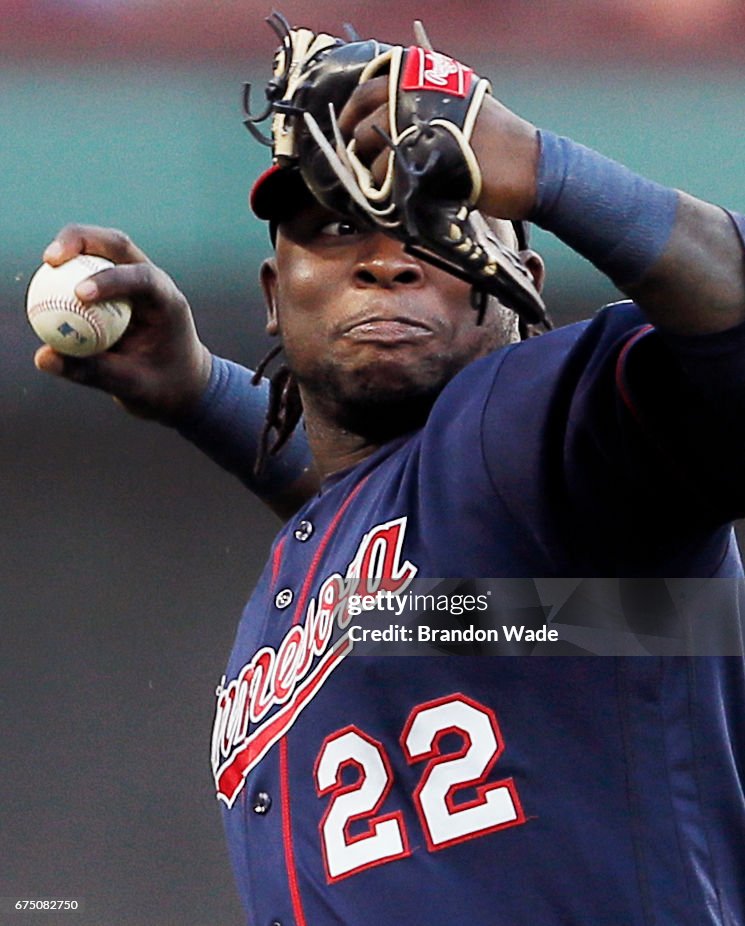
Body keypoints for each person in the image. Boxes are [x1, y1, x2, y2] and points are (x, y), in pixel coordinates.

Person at [34, 32, 745, 926]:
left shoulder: (540, 430)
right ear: (272, 293)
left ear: (521, 282)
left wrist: (544, 169)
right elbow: (410, 561)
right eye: (334, 227)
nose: (384, 258)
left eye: (435, 220)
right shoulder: (480, 563)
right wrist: (200, 390)